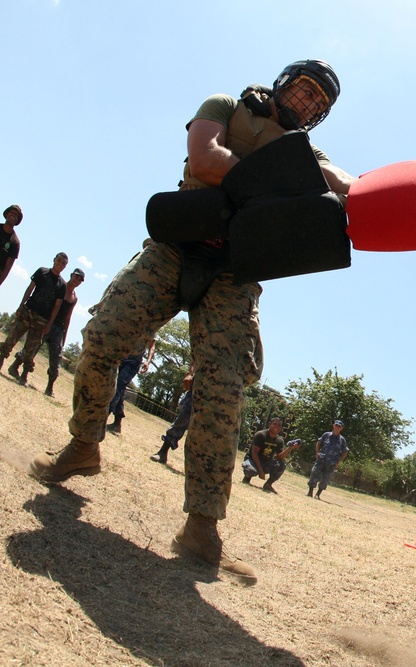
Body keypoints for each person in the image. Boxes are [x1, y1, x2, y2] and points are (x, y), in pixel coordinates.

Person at [29, 59, 352, 586]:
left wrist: (369, 194)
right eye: (306, 89)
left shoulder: (307, 155)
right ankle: (83, 446)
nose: (309, 102)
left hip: (235, 273)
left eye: (320, 102)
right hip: (176, 246)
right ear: (284, 81)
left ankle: (202, 528)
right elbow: (203, 160)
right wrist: (279, 189)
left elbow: (340, 180)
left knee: (222, 392)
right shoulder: (226, 105)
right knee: (103, 337)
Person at [1, 252, 68, 385]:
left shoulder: (62, 285)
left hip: (42, 319)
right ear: (54, 260)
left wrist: (49, 324)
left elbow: (57, 307)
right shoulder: (42, 272)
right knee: (11, 338)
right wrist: (21, 306)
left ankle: (24, 375)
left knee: (31, 349)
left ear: (65, 267)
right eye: (59, 261)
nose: (60, 264)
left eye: (63, 263)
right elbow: (30, 288)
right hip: (28, 311)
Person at [40, 268, 85, 396]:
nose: (77, 281)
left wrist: (64, 336)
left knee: (56, 359)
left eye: (80, 280)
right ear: (71, 275)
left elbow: (68, 318)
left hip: (58, 328)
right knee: (32, 347)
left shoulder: (74, 298)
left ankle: (50, 387)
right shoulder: (60, 286)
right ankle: (18, 367)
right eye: (76, 277)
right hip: (47, 322)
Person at [106, 337, 156, 435]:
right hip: (121, 356)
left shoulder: (149, 325)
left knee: (118, 387)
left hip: (133, 362)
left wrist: (148, 361)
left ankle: (101, 419)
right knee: (118, 389)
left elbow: (152, 345)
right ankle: (117, 423)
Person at [241, 417, 301, 493]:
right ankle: (247, 478)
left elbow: (280, 457)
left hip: (266, 463)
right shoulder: (260, 435)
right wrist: (260, 471)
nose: (277, 427)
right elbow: (254, 453)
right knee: (251, 471)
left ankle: (268, 485)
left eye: (279, 425)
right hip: (252, 460)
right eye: (275, 424)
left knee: (281, 464)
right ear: (269, 424)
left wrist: (289, 448)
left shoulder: (279, 440)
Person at [150, 370, 194, 465]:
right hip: (201, 383)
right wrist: (190, 373)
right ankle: (163, 452)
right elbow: (196, 356)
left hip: (225, 391)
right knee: (184, 416)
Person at [307, 419, 349, 499]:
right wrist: (317, 453)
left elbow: (345, 452)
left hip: (331, 463)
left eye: (339, 426)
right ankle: (310, 492)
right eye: (336, 425)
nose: (337, 427)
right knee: (314, 474)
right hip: (321, 459)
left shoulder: (342, 440)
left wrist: (338, 461)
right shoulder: (326, 435)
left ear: (341, 428)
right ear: (333, 426)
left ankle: (318, 494)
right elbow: (319, 443)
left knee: (325, 480)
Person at [0, 204, 23, 287]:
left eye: (16, 215)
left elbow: (7, 267)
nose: (13, 215)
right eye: (11, 212)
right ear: (6, 214)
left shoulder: (15, 242)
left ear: (17, 220)